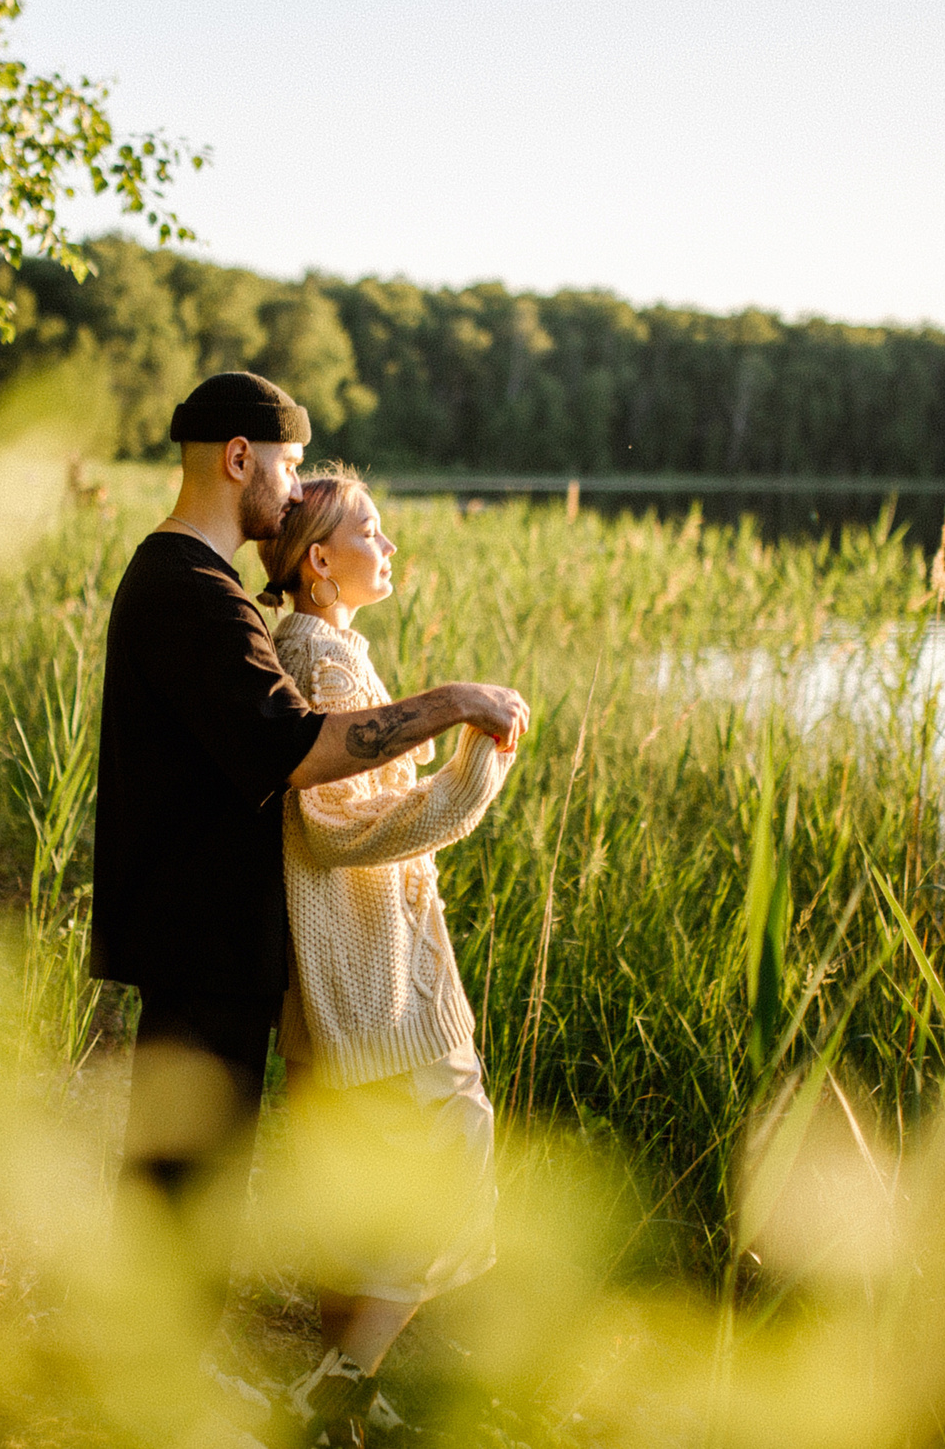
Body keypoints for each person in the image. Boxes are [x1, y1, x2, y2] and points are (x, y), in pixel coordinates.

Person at [92, 374, 529, 1363]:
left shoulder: (204, 591)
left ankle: (162, 1388)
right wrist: (454, 704)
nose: (291, 494)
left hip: (214, 944)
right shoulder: (189, 592)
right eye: (286, 467)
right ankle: (147, 1398)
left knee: (192, 1183)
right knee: (182, 1190)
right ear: (240, 457)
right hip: (198, 940)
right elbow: (296, 754)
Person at [255, 468, 517, 1447]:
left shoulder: (316, 650)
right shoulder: (320, 656)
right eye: (372, 530)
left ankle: (340, 1413)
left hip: (343, 988)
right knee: (448, 1183)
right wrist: (474, 764)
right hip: (377, 990)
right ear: (320, 559)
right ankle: (333, 1389)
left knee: (356, 1213)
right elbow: (335, 827)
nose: (390, 545)